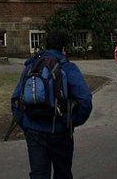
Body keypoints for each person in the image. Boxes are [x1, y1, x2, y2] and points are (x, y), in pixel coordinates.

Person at [11, 31, 93, 179]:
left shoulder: (31, 65)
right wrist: (71, 121)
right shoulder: (67, 67)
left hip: (34, 130)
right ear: (63, 49)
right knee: (63, 173)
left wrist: (26, 124)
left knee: (38, 174)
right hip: (59, 130)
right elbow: (85, 100)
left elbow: (16, 100)